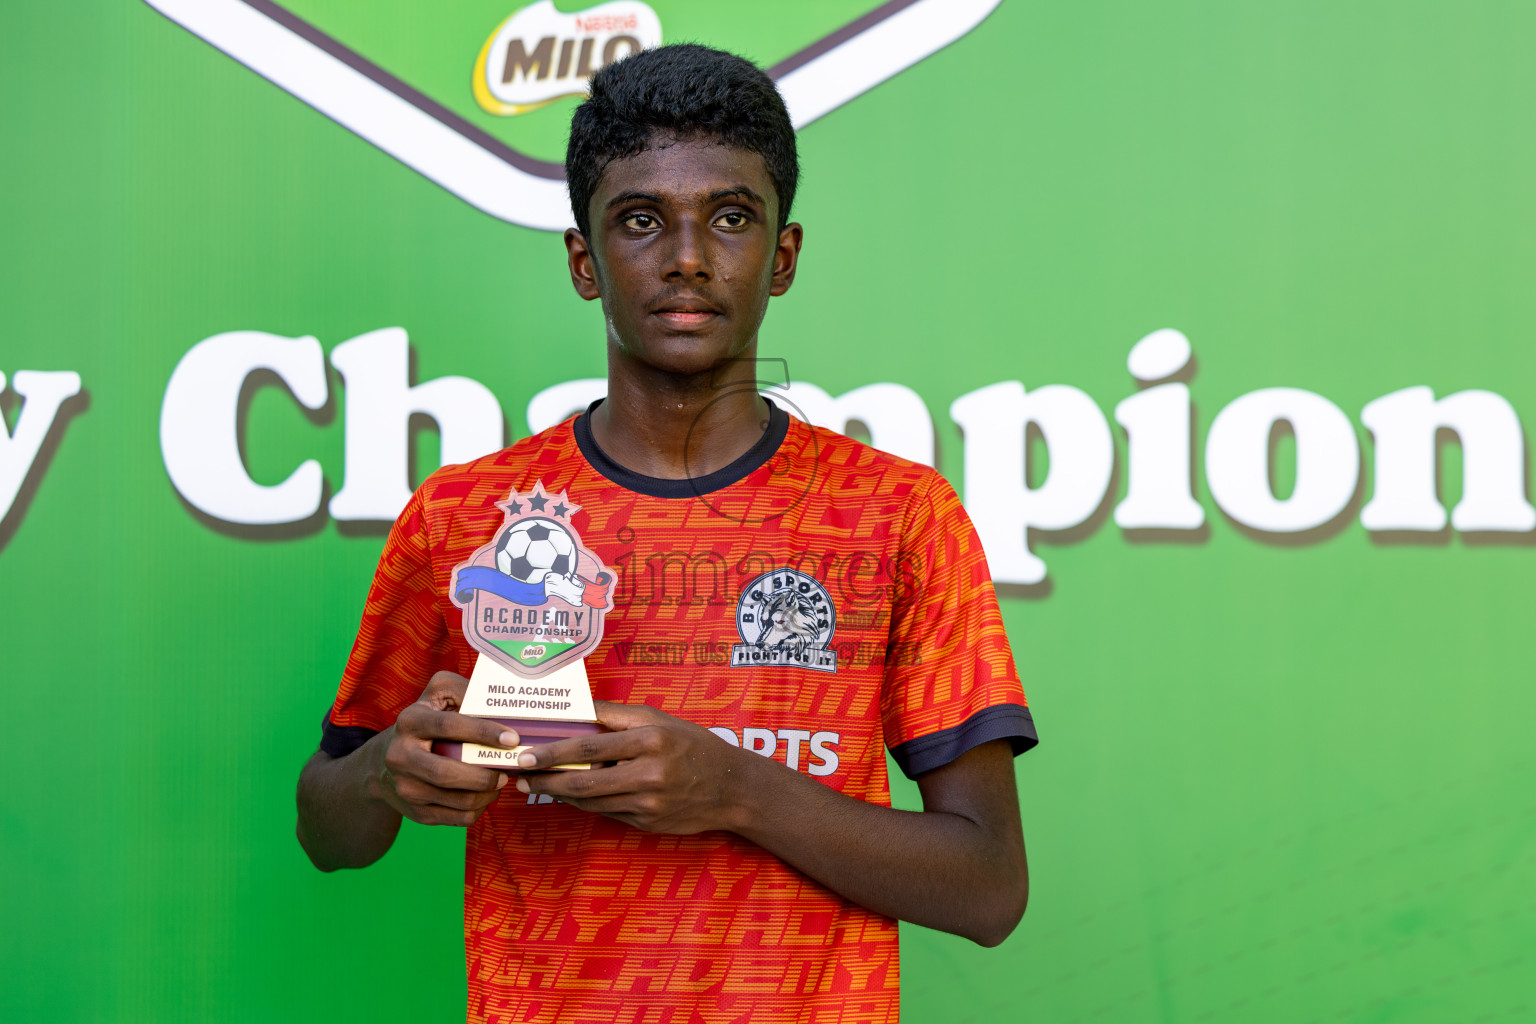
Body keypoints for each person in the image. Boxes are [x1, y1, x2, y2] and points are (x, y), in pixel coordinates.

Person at [296, 43, 1037, 1024]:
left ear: (782, 254)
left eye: (730, 216)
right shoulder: (466, 515)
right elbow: (327, 825)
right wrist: (391, 768)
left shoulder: (898, 515)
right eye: (640, 220)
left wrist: (737, 789)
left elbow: (988, 888)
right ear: (582, 259)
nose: (687, 257)